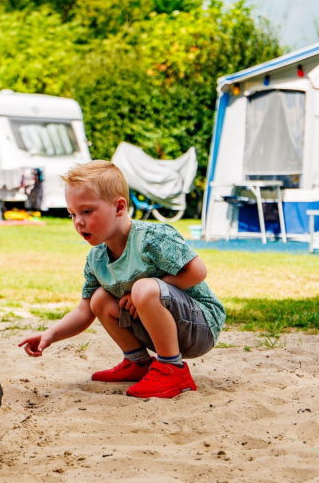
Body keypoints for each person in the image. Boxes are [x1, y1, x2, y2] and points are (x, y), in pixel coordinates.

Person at [19, 160, 225, 399]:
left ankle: (172, 370)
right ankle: (138, 363)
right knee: (100, 299)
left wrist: (142, 294)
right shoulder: (97, 259)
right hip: (160, 329)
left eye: (87, 211)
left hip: (200, 326)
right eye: (72, 214)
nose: (78, 222)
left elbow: (197, 271)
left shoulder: (151, 238)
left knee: (143, 289)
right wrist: (50, 335)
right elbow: (85, 311)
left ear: (119, 207)